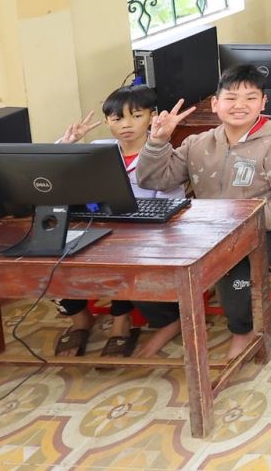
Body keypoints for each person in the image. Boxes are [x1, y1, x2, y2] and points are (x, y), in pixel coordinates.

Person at [137, 65, 271, 360]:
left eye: (250, 98)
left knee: (235, 284)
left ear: (263, 103)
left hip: (266, 224)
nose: (240, 105)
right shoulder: (198, 143)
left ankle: (243, 331)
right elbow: (154, 179)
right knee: (144, 265)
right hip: (209, 226)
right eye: (231, 98)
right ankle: (168, 320)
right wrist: (157, 142)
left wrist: (251, 227)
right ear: (215, 104)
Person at [52, 86, 183, 358]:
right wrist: (66, 146)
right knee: (51, 252)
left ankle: (123, 321)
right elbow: (51, 177)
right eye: (117, 118)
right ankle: (79, 318)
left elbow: (171, 207)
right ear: (107, 122)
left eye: (136, 116)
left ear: (152, 117)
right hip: (100, 225)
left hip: (143, 234)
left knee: (123, 257)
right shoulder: (98, 150)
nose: (126, 125)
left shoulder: (162, 153)